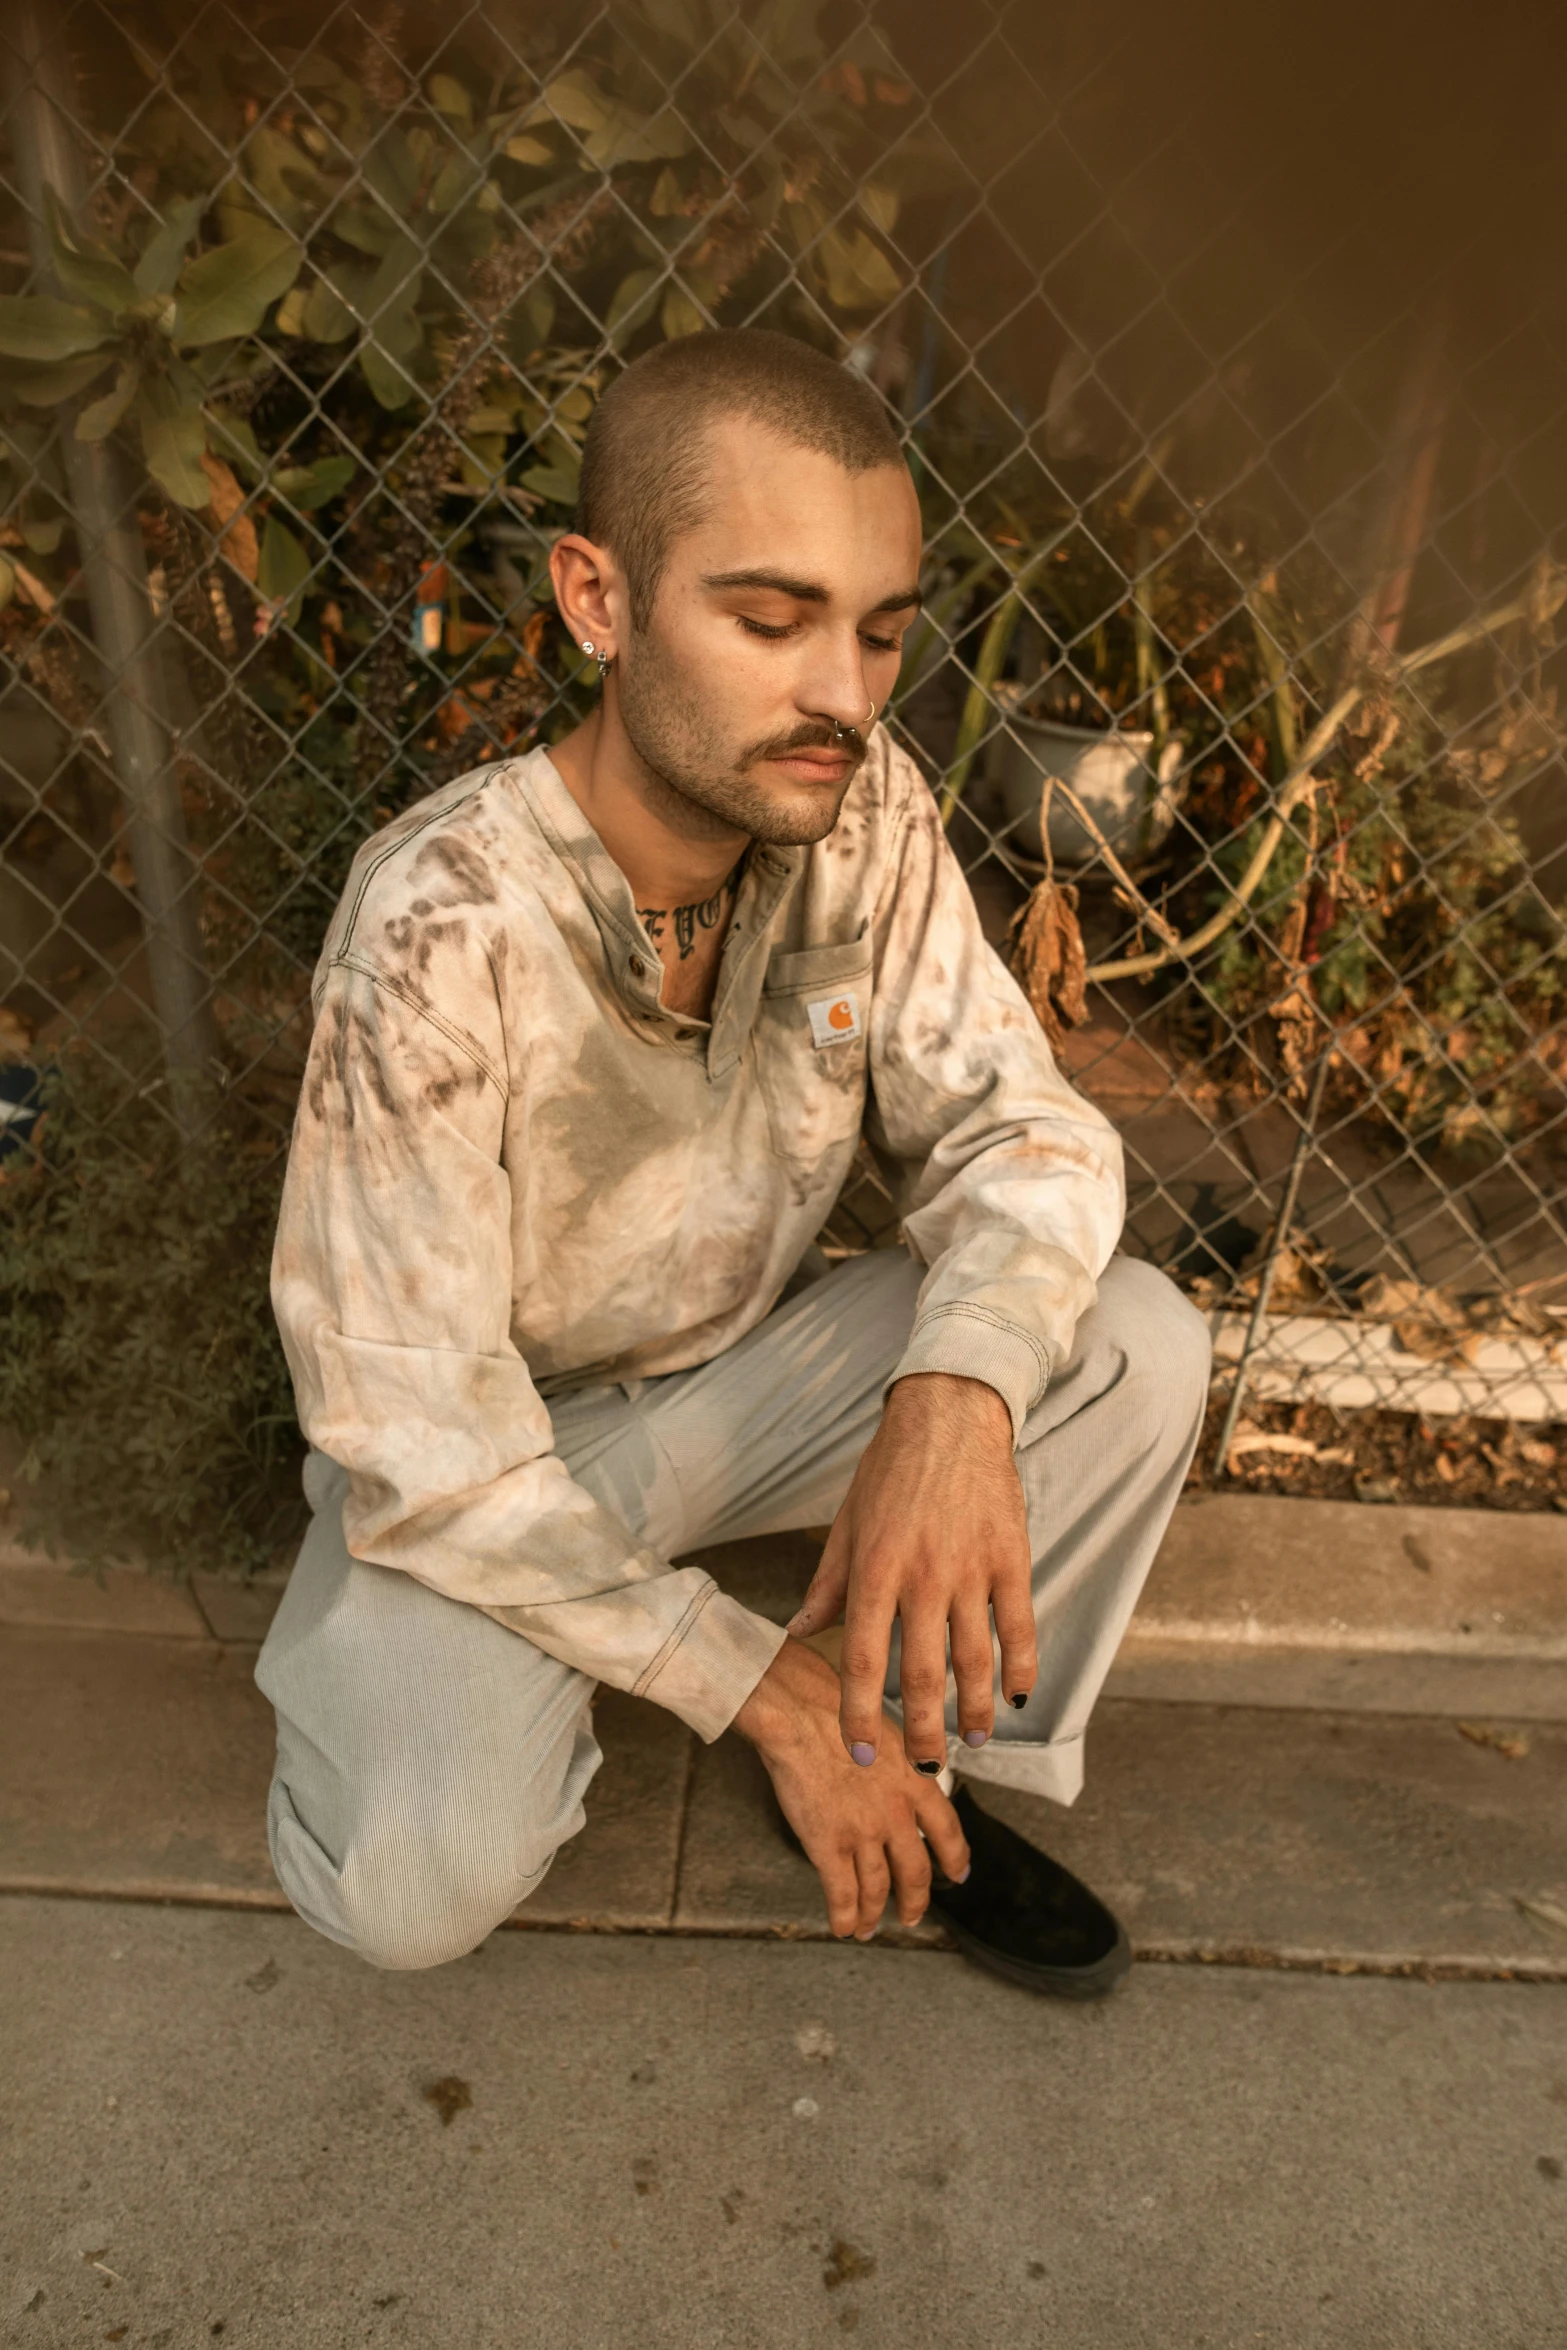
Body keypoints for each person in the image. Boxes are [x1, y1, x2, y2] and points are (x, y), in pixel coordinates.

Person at [257, 328, 1210, 1998]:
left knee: (1128, 1343)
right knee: (409, 1889)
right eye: (769, 622)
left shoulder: (864, 811)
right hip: (486, 1456)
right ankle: (735, 1703)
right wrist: (739, 1676)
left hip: (742, 1387)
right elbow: (417, 1438)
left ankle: (898, 1747)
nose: (842, 694)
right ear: (598, 599)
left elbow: (1023, 1126)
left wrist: (954, 1398)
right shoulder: (431, 927)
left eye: (880, 633)